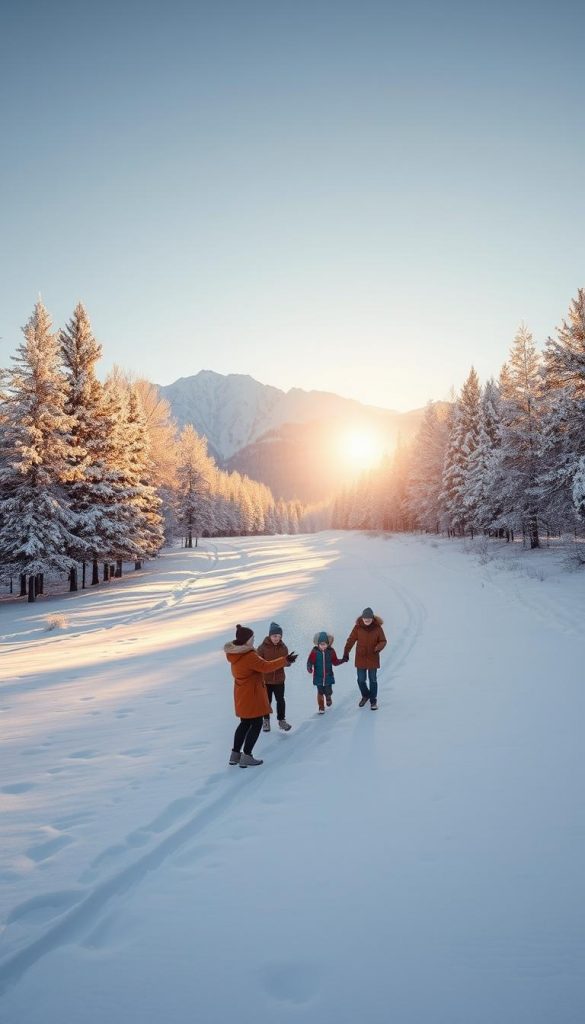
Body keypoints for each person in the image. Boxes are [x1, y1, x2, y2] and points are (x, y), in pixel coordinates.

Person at [224, 624, 297, 766]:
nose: (253, 640)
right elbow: (265, 667)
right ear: (246, 640)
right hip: (252, 694)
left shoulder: (235, 654)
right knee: (256, 724)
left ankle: (235, 755)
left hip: (241, 693)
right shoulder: (248, 655)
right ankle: (247, 756)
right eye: (252, 638)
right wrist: (285, 660)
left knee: (244, 723)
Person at [343, 607, 387, 710]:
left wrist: (377, 648)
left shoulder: (377, 628)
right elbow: (351, 640)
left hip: (373, 657)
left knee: (373, 680)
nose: (367, 621)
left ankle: (373, 700)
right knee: (361, 680)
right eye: (365, 619)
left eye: (369, 619)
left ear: (372, 618)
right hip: (361, 657)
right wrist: (346, 652)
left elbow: (383, 641)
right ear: (362, 618)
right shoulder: (357, 628)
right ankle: (365, 695)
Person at [257, 621, 292, 732]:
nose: (276, 638)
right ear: (270, 636)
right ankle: (266, 721)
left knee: (280, 700)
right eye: (274, 636)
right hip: (266, 680)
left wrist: (289, 661)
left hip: (279, 680)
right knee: (267, 701)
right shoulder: (262, 648)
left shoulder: (283, 647)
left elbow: (286, 662)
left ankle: (281, 720)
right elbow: (258, 662)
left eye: (278, 636)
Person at [307, 631, 344, 714]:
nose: (323, 646)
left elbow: (335, 661)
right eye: (321, 644)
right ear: (318, 644)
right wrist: (309, 667)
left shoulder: (331, 651)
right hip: (318, 676)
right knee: (320, 692)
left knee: (328, 690)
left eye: (325, 644)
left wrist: (342, 660)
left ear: (328, 644)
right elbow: (310, 661)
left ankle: (328, 697)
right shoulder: (314, 652)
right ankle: (321, 707)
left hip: (328, 676)